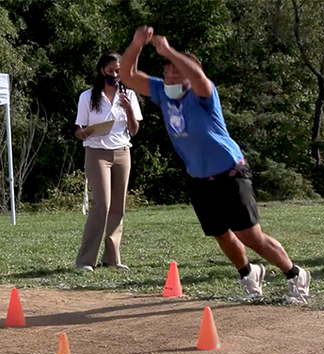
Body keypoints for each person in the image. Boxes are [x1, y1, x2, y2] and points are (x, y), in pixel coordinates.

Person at [120, 26, 311, 303]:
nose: (170, 75)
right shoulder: (162, 92)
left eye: (177, 71)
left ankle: (295, 275)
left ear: (190, 74)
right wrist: (137, 44)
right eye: (167, 71)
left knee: (250, 236)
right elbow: (128, 75)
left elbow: (198, 76)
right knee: (221, 235)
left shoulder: (203, 94)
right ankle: (249, 273)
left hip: (230, 172)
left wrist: (168, 50)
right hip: (200, 179)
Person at [73, 52, 143, 271]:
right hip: (96, 152)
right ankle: (85, 261)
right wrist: (83, 134)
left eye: (119, 71)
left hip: (122, 152)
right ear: (102, 70)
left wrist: (129, 109)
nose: (115, 75)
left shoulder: (129, 95)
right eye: (111, 70)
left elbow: (134, 129)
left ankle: (112, 259)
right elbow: (78, 129)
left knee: (117, 207)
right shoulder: (87, 97)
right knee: (101, 205)